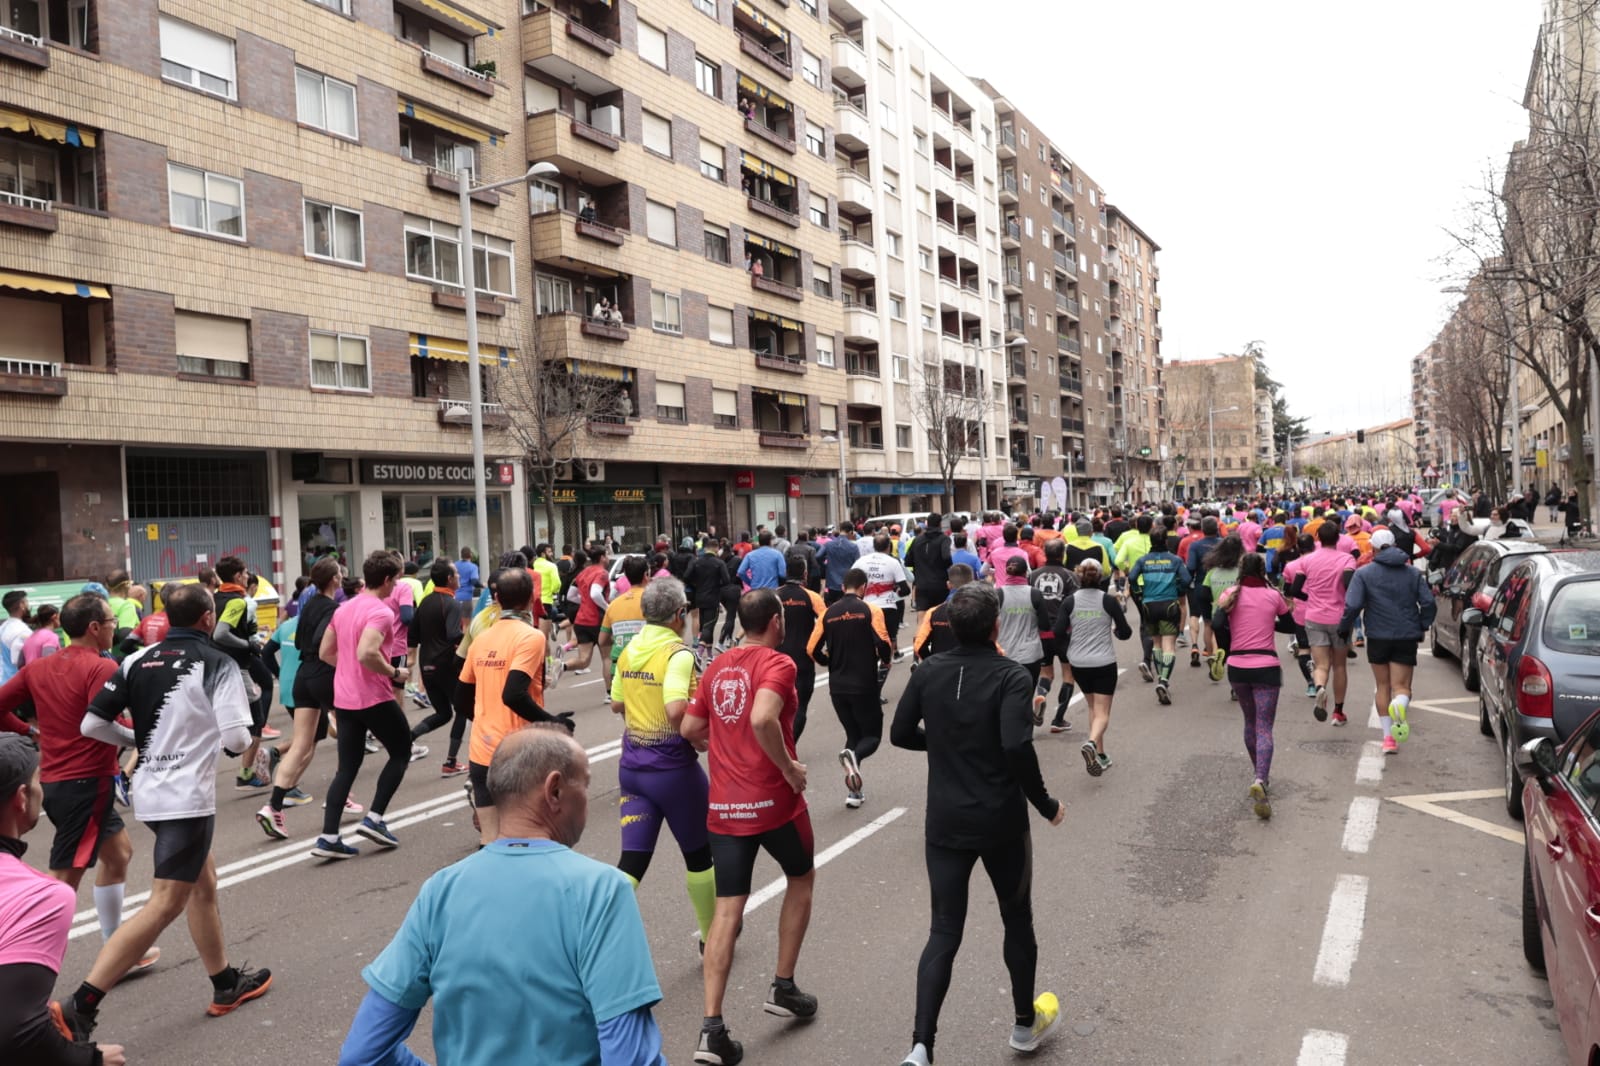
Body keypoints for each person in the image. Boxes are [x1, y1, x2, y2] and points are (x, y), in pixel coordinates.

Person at [338, 727, 668, 1066]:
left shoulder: (441, 891)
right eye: (584, 784)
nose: (587, 797)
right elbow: (630, 1058)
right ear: (554, 790)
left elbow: (362, 1054)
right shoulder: (601, 890)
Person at [56, 583, 271, 1040]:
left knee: (203, 883)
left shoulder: (135, 659)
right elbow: (237, 739)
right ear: (208, 619)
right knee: (166, 901)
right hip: (185, 798)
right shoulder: (218, 663)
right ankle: (81, 1005)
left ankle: (225, 983)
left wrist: (139, 741)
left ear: (166, 618)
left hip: (149, 792)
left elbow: (92, 723)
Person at [890, 584, 1065, 1066]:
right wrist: (1045, 803)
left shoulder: (927, 672)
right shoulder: (1011, 676)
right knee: (1017, 919)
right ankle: (1024, 1027)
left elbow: (900, 733)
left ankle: (921, 1047)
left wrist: (947, 744)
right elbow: (1014, 746)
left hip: (945, 820)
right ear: (995, 626)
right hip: (1001, 820)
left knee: (943, 930)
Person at [681, 588, 817, 1066]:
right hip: (775, 804)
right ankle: (783, 985)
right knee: (800, 878)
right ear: (776, 621)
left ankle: (711, 1029)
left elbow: (690, 729)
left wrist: (717, 745)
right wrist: (788, 769)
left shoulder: (716, 666)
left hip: (726, 807)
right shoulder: (778, 664)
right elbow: (763, 717)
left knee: (726, 911)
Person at [0, 595, 158, 969]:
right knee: (58, 886)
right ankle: (23, 967)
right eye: (109, 621)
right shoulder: (101, 668)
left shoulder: (40, 667)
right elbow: (103, 722)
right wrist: (152, 732)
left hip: (59, 781)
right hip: (86, 781)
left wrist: (29, 731)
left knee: (118, 855)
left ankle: (116, 949)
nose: (113, 628)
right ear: (94, 628)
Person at [0, 733, 129, 1066]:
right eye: (37, 780)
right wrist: (89, 1060)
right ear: (22, 798)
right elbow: (16, 1030)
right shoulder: (42, 896)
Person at [608, 578, 716, 952]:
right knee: (700, 855)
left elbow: (617, 704)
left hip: (632, 771)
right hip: (673, 772)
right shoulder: (678, 653)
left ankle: (584, 933)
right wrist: (696, 737)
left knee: (633, 862)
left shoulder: (629, 649)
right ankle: (710, 937)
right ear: (679, 614)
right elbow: (675, 708)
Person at [311, 551, 422, 859]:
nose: (397, 584)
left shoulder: (344, 608)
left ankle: (329, 836)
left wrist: (348, 667)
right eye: (396, 579)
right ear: (386, 580)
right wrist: (394, 671)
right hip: (373, 696)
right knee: (402, 751)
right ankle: (374, 819)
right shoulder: (381, 612)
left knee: (347, 767)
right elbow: (366, 653)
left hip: (344, 698)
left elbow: (325, 652)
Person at [454, 568, 568, 848]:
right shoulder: (530, 637)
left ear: (496, 598)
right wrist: (552, 723)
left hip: (482, 751)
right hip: (518, 753)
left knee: (490, 842)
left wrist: (483, 719)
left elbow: (460, 698)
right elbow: (514, 695)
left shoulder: (482, 639)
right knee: (527, 839)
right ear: (531, 598)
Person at [256, 558, 348, 840]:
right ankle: (343, 796)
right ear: (334, 580)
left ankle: (273, 806)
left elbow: (297, 644)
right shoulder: (333, 609)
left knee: (300, 744)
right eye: (340, 574)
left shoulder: (305, 610)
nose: (342, 578)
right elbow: (326, 645)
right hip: (323, 676)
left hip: (302, 678)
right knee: (349, 735)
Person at [1341, 528, 1436, 755]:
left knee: (1382, 686)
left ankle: (1388, 739)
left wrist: (1344, 628)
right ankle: (1400, 705)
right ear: (1395, 545)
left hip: (1377, 634)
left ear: (1372, 548)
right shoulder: (1412, 572)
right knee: (1402, 687)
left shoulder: (1364, 574)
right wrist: (1422, 624)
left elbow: (1353, 605)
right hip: (1406, 634)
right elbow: (1429, 603)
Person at [809, 567, 893, 809]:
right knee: (872, 737)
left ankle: (855, 793)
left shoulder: (828, 613)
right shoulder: (871, 609)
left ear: (843, 587)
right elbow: (883, 642)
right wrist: (884, 660)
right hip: (864, 684)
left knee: (852, 736)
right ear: (864, 588)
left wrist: (828, 663)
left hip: (838, 687)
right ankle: (854, 758)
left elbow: (811, 648)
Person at [1217, 553, 1293, 819]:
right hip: (1267, 667)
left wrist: (1230, 642)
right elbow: (1290, 624)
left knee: (1250, 723)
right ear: (1263, 570)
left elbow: (1217, 623)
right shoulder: (1273, 596)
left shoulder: (1229, 595)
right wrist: (1268, 622)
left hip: (1238, 666)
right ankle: (1261, 778)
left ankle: (1259, 774)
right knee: (1264, 726)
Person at [1055, 559, 1133, 773]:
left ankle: (1100, 754)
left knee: (1092, 707)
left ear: (1079, 577)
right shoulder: (1108, 601)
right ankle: (1091, 744)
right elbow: (1125, 632)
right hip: (1103, 662)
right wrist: (1115, 630)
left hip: (1078, 662)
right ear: (1100, 578)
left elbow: (1058, 631)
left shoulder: (1069, 602)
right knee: (1103, 711)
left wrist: (1072, 640)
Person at [1285, 521, 1356, 726]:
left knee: (1321, 664)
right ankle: (1338, 712)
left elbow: (1294, 590)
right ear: (1338, 537)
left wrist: (1310, 598)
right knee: (1340, 665)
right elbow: (1350, 585)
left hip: (1314, 616)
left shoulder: (1307, 561)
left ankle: (1318, 687)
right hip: (1339, 618)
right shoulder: (1347, 559)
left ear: (1318, 538)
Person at [407, 559, 469, 777]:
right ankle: (451, 762)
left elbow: (412, 635)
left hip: (427, 667)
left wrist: (411, 661)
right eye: (457, 575)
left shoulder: (425, 602)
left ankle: (409, 738)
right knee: (463, 709)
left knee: (443, 714)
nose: (459, 578)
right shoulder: (451, 603)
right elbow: (454, 635)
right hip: (446, 665)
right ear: (450, 579)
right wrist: (472, 640)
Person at [1127, 525, 1191, 705]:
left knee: (1156, 643)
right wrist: (1177, 589)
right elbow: (1186, 580)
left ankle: (1159, 676)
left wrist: (1138, 592)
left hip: (1148, 604)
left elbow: (1131, 577)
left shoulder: (1143, 560)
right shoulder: (1175, 560)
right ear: (1165, 541)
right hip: (1169, 603)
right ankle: (1163, 681)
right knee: (1169, 644)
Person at [775, 553, 826, 740]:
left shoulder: (773, 595)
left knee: (776, 705)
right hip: (803, 658)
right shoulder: (812, 596)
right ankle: (789, 746)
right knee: (801, 706)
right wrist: (823, 653)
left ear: (786, 572)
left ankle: (777, 746)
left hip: (775, 659)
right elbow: (825, 622)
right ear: (805, 574)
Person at [1028, 538, 1078, 727]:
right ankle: (1058, 719)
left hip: (1042, 632)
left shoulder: (1033, 576)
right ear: (1062, 554)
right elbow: (1076, 602)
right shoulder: (1070, 576)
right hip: (1064, 631)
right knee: (1068, 674)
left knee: (1046, 673)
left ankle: (1040, 694)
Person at [995, 556, 1051, 692]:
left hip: (1005, 655)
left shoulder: (997, 594)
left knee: (1006, 695)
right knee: (1027, 694)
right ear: (1026, 572)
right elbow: (1045, 625)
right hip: (1030, 655)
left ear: (1006, 572)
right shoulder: (1035, 594)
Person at [856, 534, 912, 658]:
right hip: (887, 606)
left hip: (866, 607)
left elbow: (850, 581)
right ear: (889, 547)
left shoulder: (861, 561)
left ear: (874, 546)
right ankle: (887, 663)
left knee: (868, 638)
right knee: (889, 637)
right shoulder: (893, 562)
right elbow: (906, 590)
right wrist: (896, 592)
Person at [1200, 534, 1245, 683]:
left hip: (1219, 617)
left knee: (1225, 649)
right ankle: (1235, 686)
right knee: (1239, 653)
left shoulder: (1212, 573)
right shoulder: (1243, 572)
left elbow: (1204, 595)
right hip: (1240, 618)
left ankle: (1221, 658)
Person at [912, 564, 975, 661]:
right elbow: (994, 646)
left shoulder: (933, 612)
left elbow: (919, 645)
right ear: (973, 584)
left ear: (949, 585)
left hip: (941, 668)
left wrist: (931, 662)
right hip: (972, 669)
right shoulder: (981, 610)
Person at [564, 548, 611, 675]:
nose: (608, 558)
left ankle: (563, 666)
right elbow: (595, 593)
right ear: (602, 557)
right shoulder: (602, 573)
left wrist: (585, 602)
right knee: (607, 658)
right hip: (598, 620)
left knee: (584, 660)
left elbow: (570, 596)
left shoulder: (583, 573)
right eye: (607, 555)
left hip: (581, 621)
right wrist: (607, 607)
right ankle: (609, 693)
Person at [908, 513, 953, 612]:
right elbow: (946, 558)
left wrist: (920, 564)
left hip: (921, 584)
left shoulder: (917, 540)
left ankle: (921, 627)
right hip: (940, 584)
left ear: (927, 524)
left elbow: (908, 561)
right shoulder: (944, 539)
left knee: (922, 615)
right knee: (938, 614)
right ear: (940, 524)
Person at [815, 522, 860, 603]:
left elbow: (818, 556)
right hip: (847, 584)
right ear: (850, 532)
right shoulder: (854, 547)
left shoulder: (828, 544)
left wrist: (825, 565)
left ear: (840, 530)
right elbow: (858, 565)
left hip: (831, 583)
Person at [0, 589, 30, 684]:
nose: (28, 605)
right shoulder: (21, 631)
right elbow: (19, 661)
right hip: (15, 684)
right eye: (27, 602)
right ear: (22, 605)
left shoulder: (4, 626)